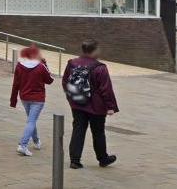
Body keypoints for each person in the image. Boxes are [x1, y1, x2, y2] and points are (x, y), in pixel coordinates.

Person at [61, 39, 118, 169]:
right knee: (98, 132)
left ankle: (74, 160)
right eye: (98, 49)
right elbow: (106, 89)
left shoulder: (72, 63)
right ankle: (103, 158)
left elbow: (65, 82)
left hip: (77, 103)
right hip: (96, 107)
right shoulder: (100, 68)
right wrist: (110, 107)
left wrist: (72, 97)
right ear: (94, 50)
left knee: (78, 130)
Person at [10, 45, 54, 156]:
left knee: (31, 120)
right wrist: (45, 64)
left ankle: (36, 141)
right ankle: (23, 145)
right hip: (38, 99)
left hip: (24, 98)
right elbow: (50, 80)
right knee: (31, 121)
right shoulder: (41, 66)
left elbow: (16, 84)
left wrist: (13, 100)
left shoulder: (19, 66)